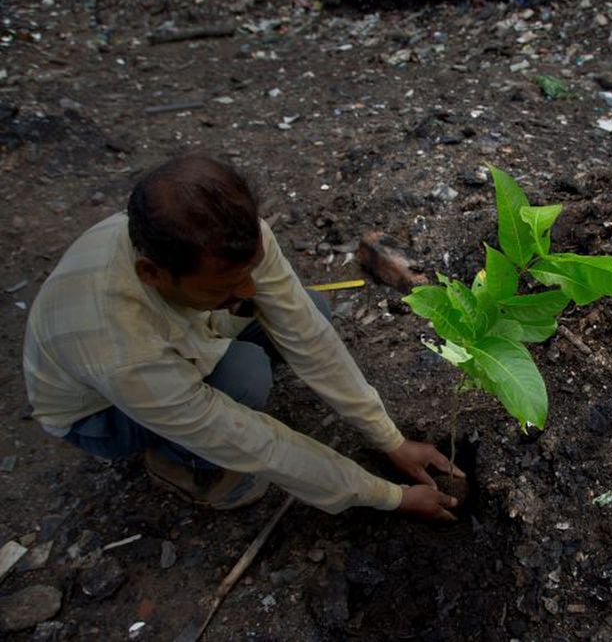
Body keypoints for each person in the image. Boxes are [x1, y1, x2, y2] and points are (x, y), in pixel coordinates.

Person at [23, 155, 463, 520]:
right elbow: (259, 445)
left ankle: (205, 369)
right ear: (151, 274)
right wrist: (391, 497)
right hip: (99, 415)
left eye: (250, 273)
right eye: (224, 286)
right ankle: (182, 463)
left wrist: (389, 438)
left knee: (311, 308)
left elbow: (307, 335)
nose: (248, 292)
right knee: (244, 376)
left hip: (182, 330)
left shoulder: (223, 233)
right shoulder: (122, 346)